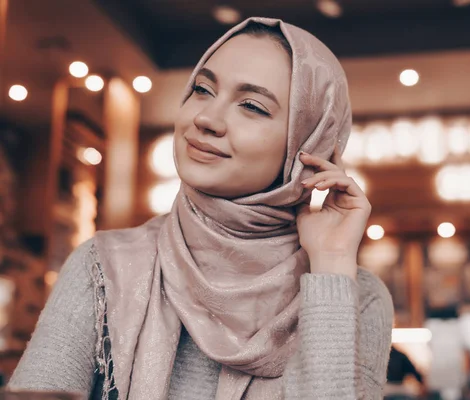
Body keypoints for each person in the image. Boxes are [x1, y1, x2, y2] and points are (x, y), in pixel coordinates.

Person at [8, 17, 393, 400]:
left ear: (308, 141)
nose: (206, 118)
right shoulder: (104, 267)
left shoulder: (357, 296)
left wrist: (331, 264)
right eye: (203, 89)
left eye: (252, 106)